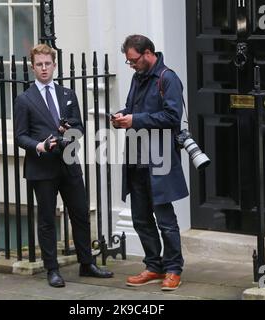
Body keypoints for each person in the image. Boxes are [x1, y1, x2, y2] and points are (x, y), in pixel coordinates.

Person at [14, 43, 113, 288]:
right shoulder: (24, 99)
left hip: (69, 162)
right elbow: (19, 136)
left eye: (48, 64)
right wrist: (40, 146)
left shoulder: (67, 94)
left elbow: (80, 128)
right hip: (42, 167)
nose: (44, 68)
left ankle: (87, 263)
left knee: (80, 214)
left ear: (54, 65)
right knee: (47, 219)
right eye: (39, 64)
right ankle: (52, 269)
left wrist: (69, 132)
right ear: (32, 67)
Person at [111, 35, 189, 291]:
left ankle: (173, 269)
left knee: (165, 219)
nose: (130, 65)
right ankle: (154, 266)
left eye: (133, 60)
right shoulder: (138, 77)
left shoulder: (168, 78)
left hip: (160, 159)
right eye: (128, 61)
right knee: (141, 218)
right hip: (136, 159)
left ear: (147, 54)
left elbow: (171, 117)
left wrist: (136, 120)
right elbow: (135, 108)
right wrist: (123, 115)